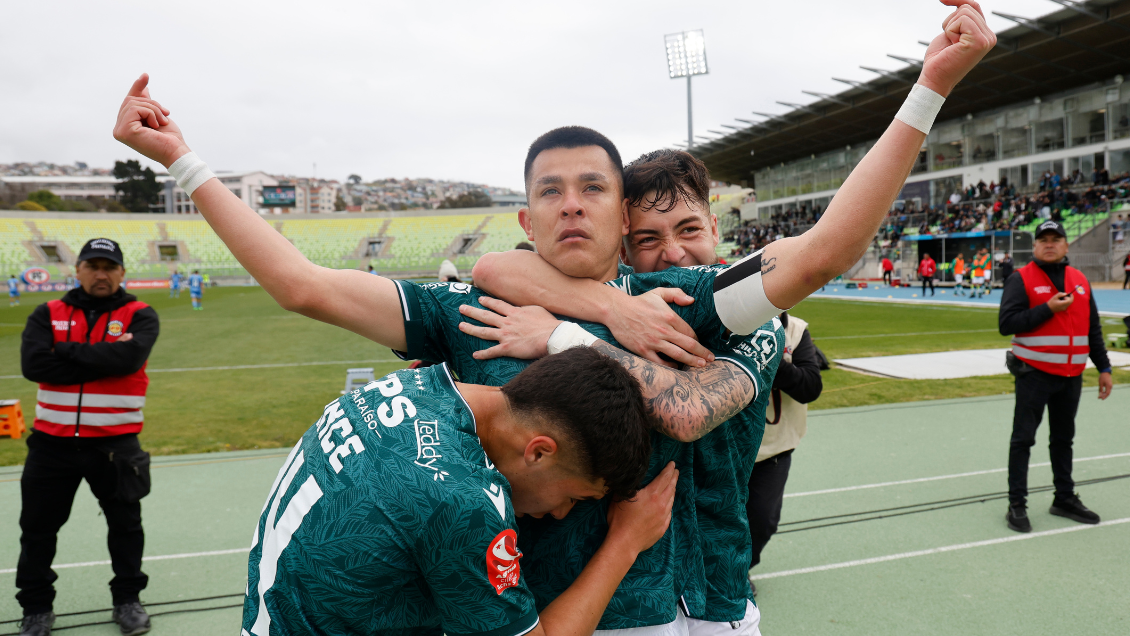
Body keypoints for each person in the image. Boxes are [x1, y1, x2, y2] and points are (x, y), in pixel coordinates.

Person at [111, 11, 993, 629]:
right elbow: (302, 284)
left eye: (593, 190)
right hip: (556, 618)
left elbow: (822, 252)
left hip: (716, 604)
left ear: (622, 218)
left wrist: (928, 88)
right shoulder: (474, 309)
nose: (572, 206)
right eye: (549, 193)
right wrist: (182, 162)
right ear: (526, 220)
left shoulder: (683, 299)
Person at [470, 147, 785, 634]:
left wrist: (561, 335)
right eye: (648, 238)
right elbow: (493, 267)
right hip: (627, 608)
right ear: (622, 244)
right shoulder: (619, 303)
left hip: (720, 597)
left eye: (689, 229)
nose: (674, 253)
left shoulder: (751, 319)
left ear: (717, 229)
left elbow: (690, 415)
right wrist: (614, 310)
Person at [243, 348, 677, 636]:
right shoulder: (462, 502)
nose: (563, 514)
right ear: (539, 452)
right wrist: (625, 542)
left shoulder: (413, 385)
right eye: (575, 498)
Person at [17, 238, 160, 636]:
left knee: (126, 527)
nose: (101, 274)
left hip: (115, 446)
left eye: (109, 267)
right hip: (51, 444)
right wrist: (105, 357)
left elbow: (129, 360)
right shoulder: (47, 312)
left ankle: (128, 601)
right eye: (93, 266)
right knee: (38, 531)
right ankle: (36, 608)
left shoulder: (140, 314)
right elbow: (33, 365)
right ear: (77, 270)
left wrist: (64, 352)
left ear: (121, 273)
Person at [999, 220, 1113, 534]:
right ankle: (1016, 504)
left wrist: (1104, 368)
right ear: (1035, 247)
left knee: (1063, 440)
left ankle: (1063, 498)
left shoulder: (1079, 280)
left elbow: (1092, 329)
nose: (1049, 244)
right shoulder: (1020, 279)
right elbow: (1007, 323)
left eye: (1056, 239)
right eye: (1043, 240)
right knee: (1023, 440)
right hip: (1034, 375)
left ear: (1065, 245)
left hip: (1071, 376)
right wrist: (1047, 309)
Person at [746, 311, 823, 596]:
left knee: (763, 520)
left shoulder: (797, 331)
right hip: (726, 448)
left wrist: (771, 359)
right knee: (715, 514)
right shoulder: (726, 323)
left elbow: (811, 387)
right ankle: (720, 573)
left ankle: (741, 569)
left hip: (774, 449)